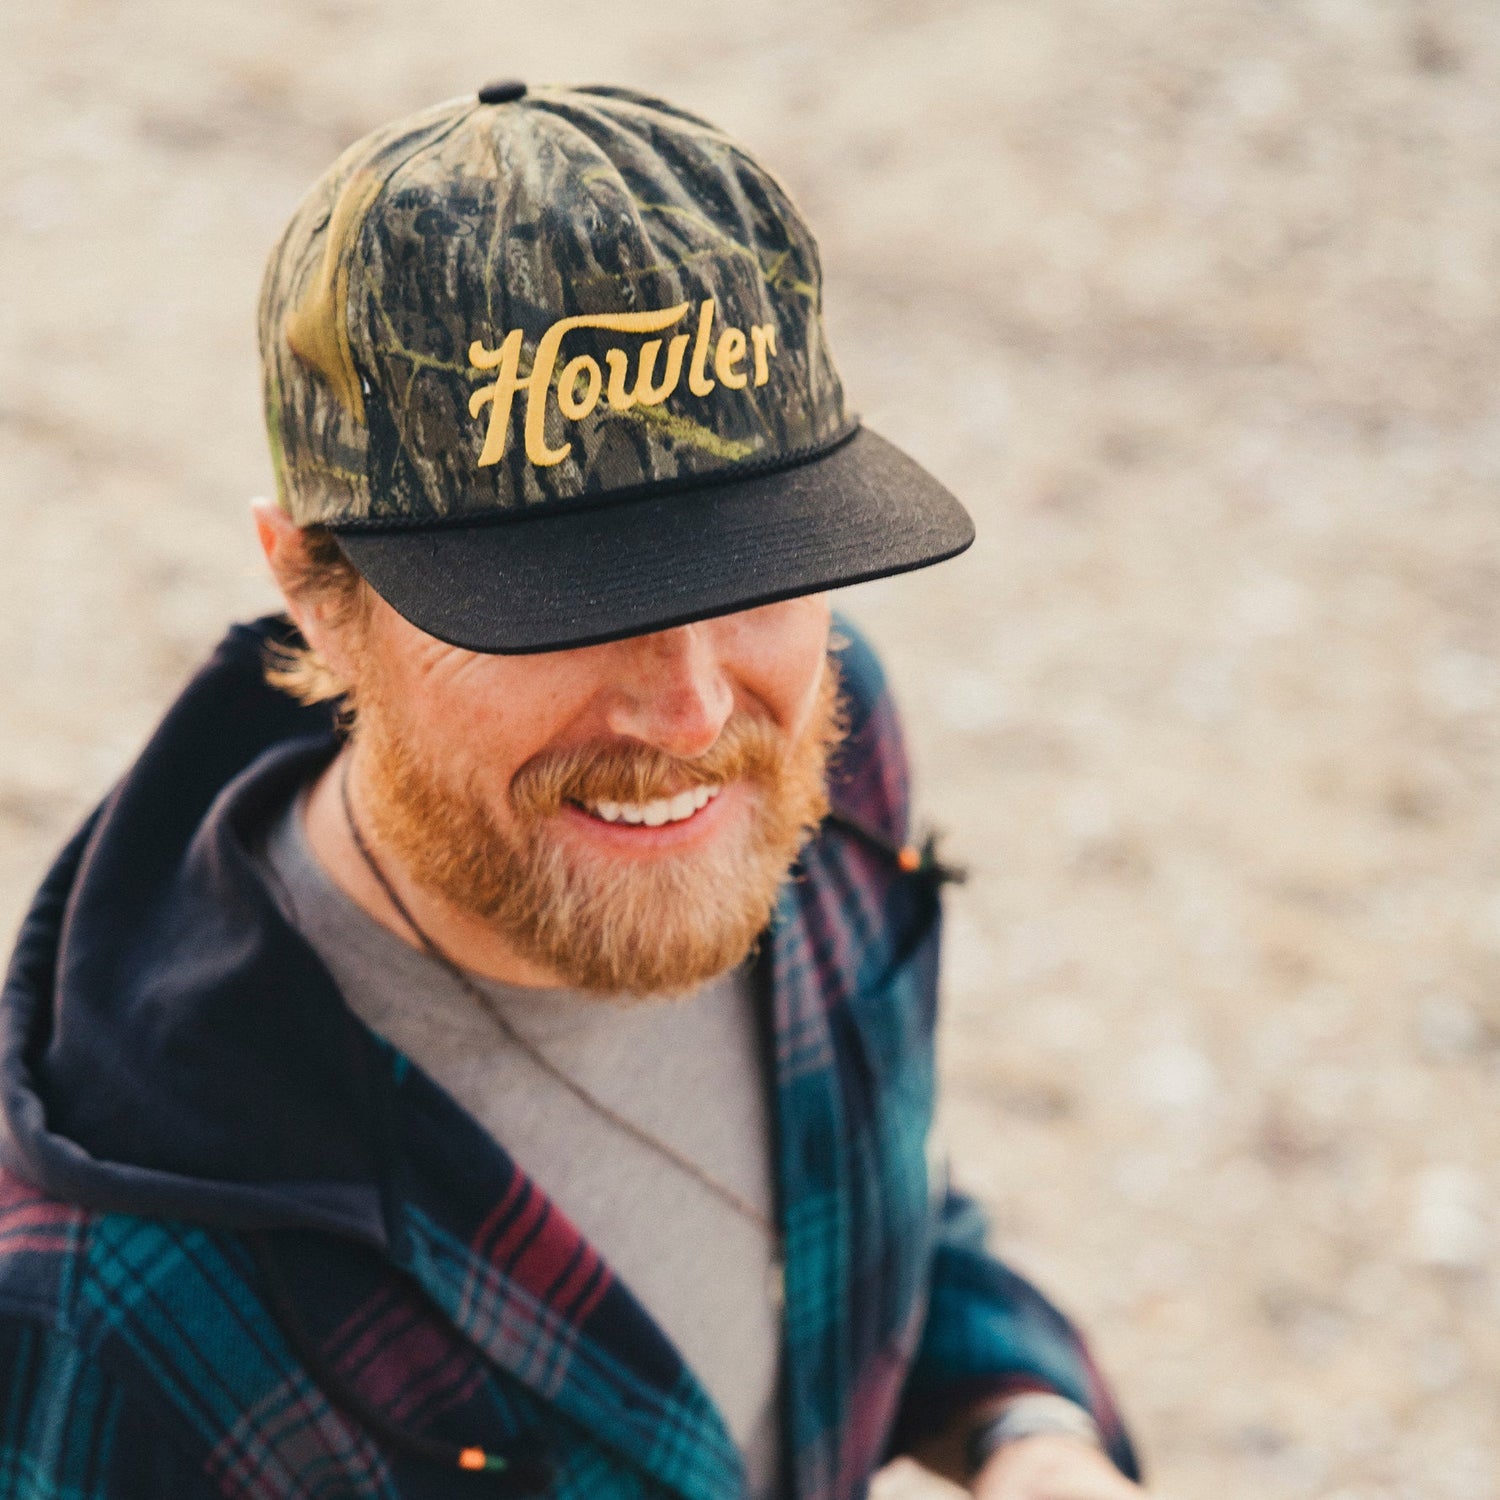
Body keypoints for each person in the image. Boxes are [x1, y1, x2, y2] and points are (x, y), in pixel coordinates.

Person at [0, 82, 1146, 1499]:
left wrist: (1024, 1428)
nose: (695, 711)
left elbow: (871, 1202)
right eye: (565, 600)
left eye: (759, 572)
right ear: (312, 584)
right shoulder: (124, 1309)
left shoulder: (832, 759)